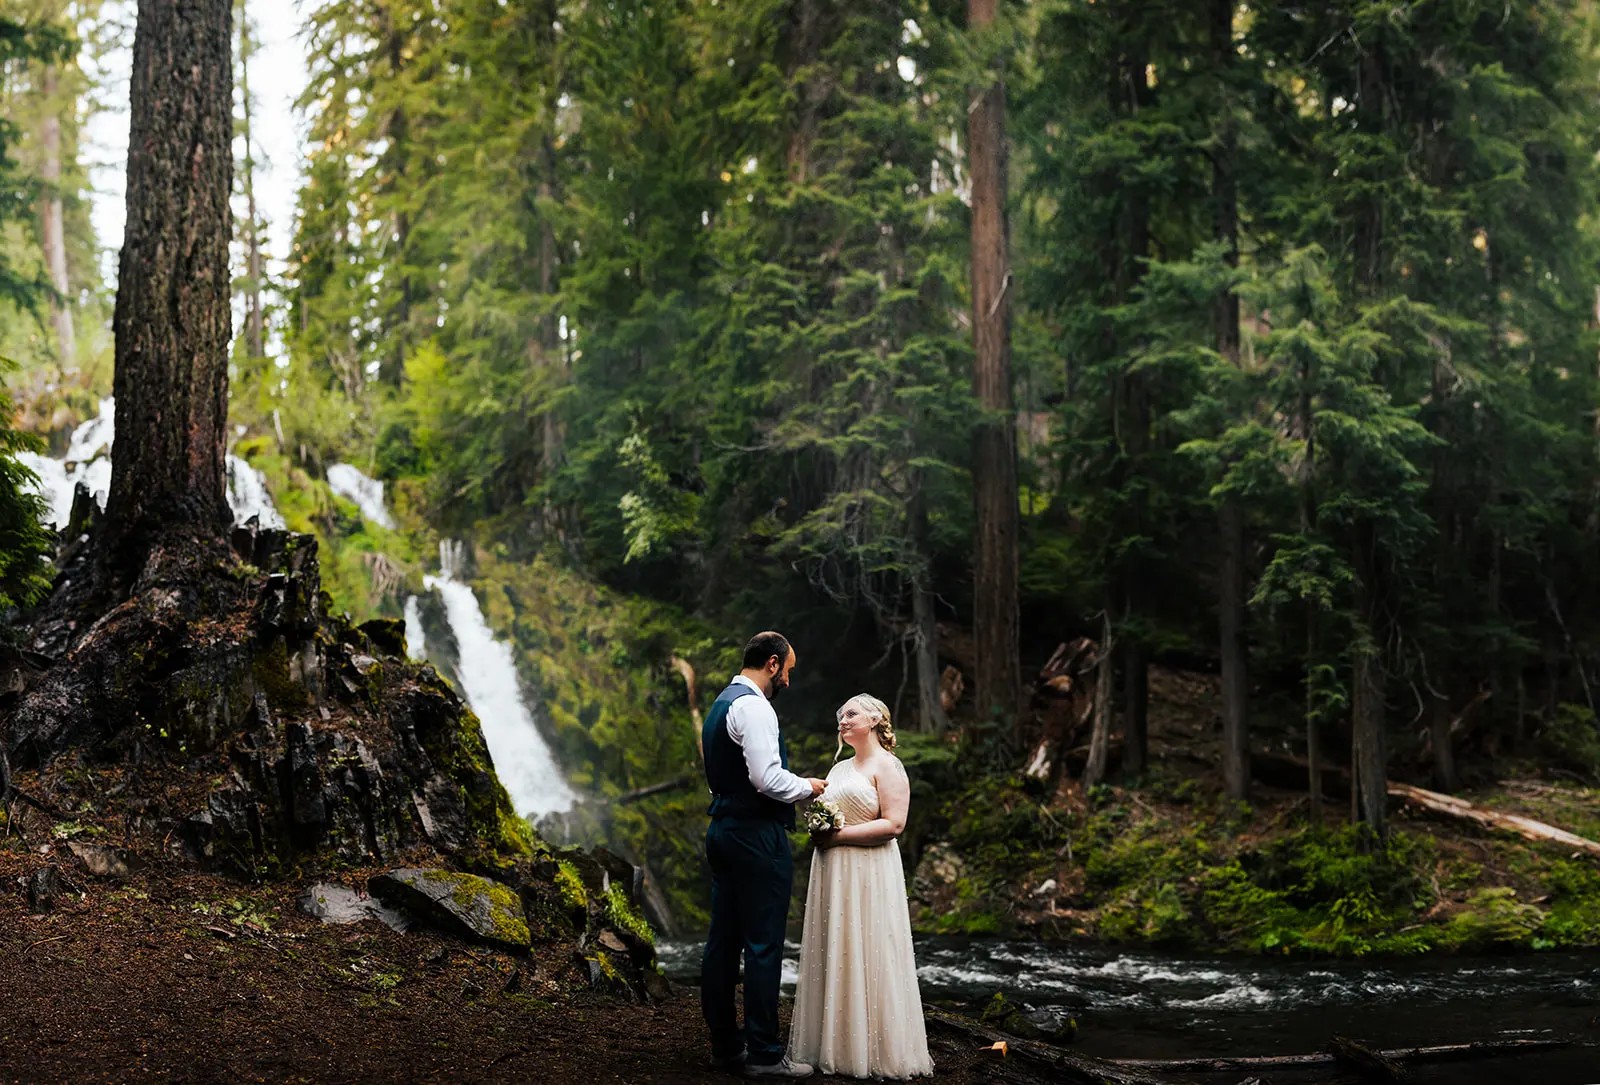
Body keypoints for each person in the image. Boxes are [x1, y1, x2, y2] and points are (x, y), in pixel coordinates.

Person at [701, 631, 828, 1079]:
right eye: (788, 670)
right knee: (762, 944)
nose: (788, 681)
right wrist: (808, 787)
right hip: (756, 835)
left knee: (722, 942)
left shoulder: (721, 703)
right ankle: (764, 1054)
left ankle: (724, 1045)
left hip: (723, 830)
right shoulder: (755, 707)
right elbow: (767, 779)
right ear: (772, 664)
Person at [787, 694, 933, 1079]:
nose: (843, 720)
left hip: (869, 872)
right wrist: (819, 830)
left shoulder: (889, 767)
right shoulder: (837, 770)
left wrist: (838, 836)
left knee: (870, 948)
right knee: (835, 947)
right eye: (840, 715)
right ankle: (829, 1045)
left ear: (875, 719)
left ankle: (875, 1050)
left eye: (850, 714)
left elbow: (895, 825)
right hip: (833, 873)